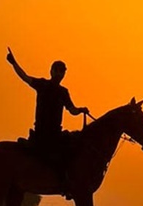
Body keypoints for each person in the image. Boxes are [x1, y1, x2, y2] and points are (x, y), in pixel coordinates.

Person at [7, 47, 89, 195]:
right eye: (57, 70)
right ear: (51, 71)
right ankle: (64, 183)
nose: (59, 74)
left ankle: (66, 182)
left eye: (61, 71)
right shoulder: (42, 85)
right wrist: (14, 63)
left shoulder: (63, 92)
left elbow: (72, 110)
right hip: (42, 133)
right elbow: (24, 77)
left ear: (64, 74)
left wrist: (81, 110)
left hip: (56, 133)